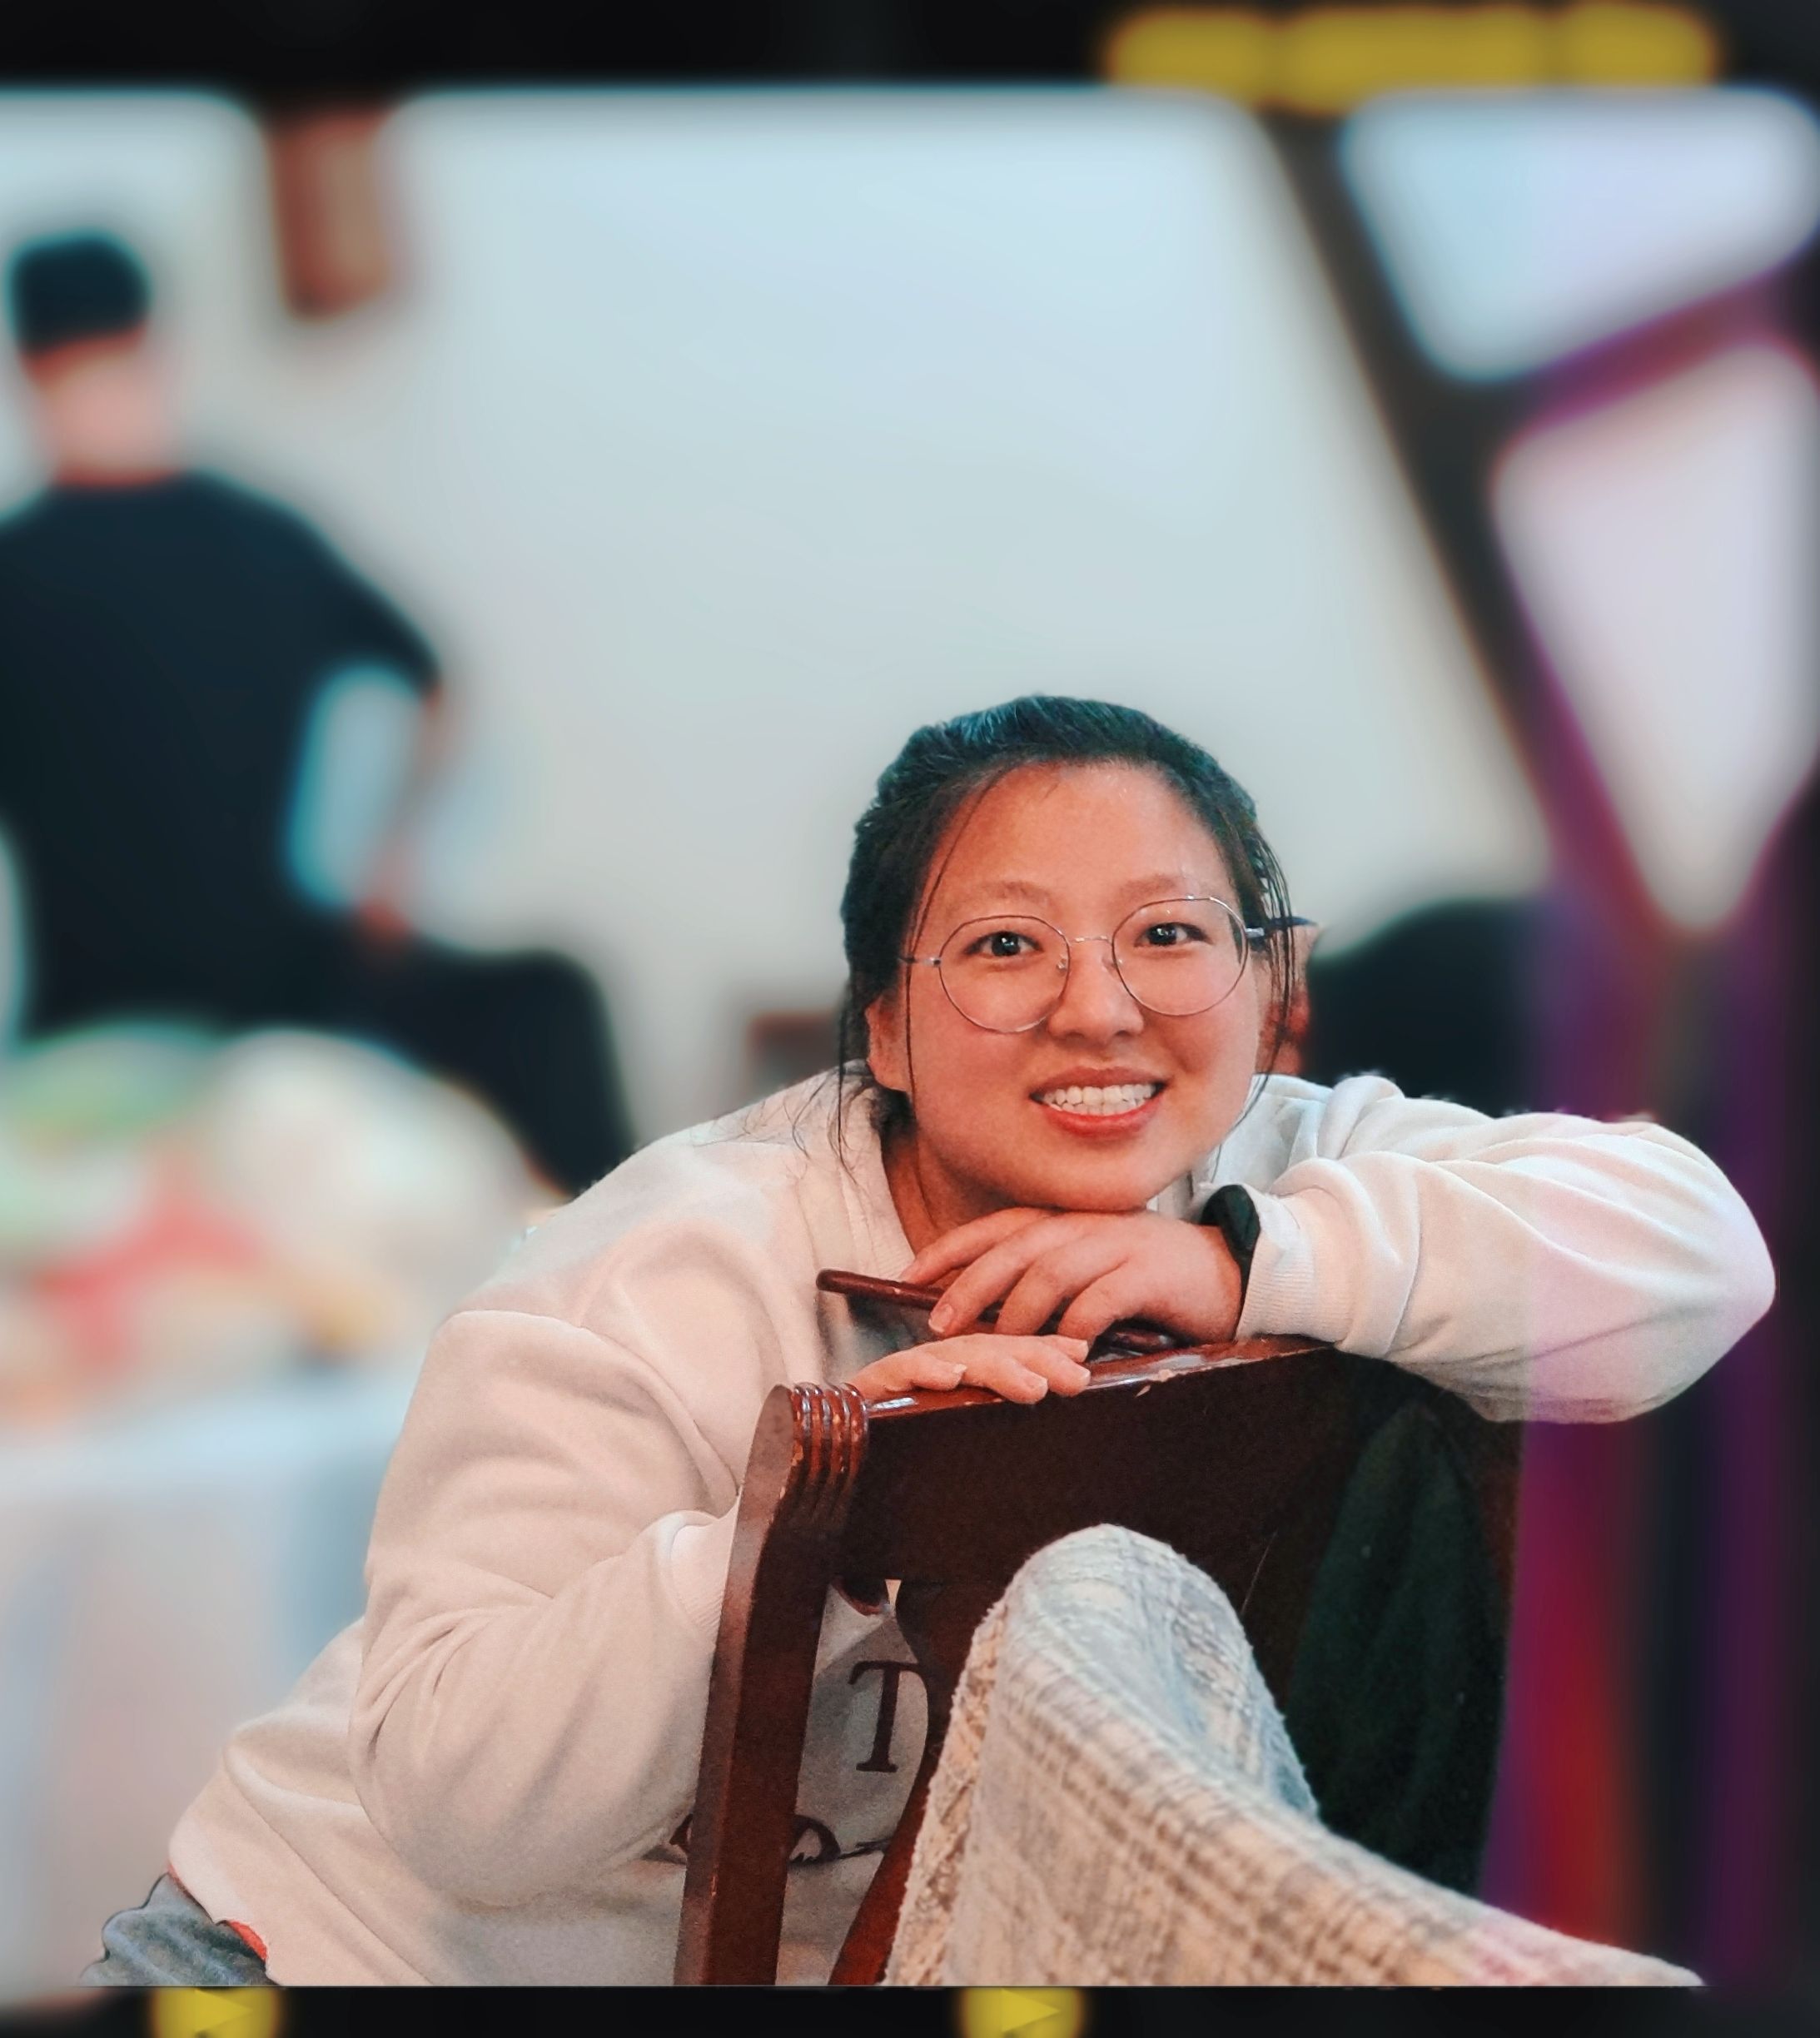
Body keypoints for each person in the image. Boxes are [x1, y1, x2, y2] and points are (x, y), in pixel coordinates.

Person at [81, 696, 1774, 1985]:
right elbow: (455, 1799)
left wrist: (1237, 1260)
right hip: (309, 1957)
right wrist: (824, 1513)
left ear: (1272, 991)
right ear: (881, 1028)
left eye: (1170, 935)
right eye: (1006, 946)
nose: (1098, 1006)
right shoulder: (656, 1272)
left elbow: (1702, 1250)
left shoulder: (1275, 1156)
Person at [0, 231, 630, 1195]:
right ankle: (608, 1251)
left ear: (27, 366)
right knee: (551, 1000)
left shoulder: (17, 568)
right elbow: (431, 677)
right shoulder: (261, 538)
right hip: (285, 994)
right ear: (153, 346)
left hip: (97, 1017)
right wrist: (390, 859)